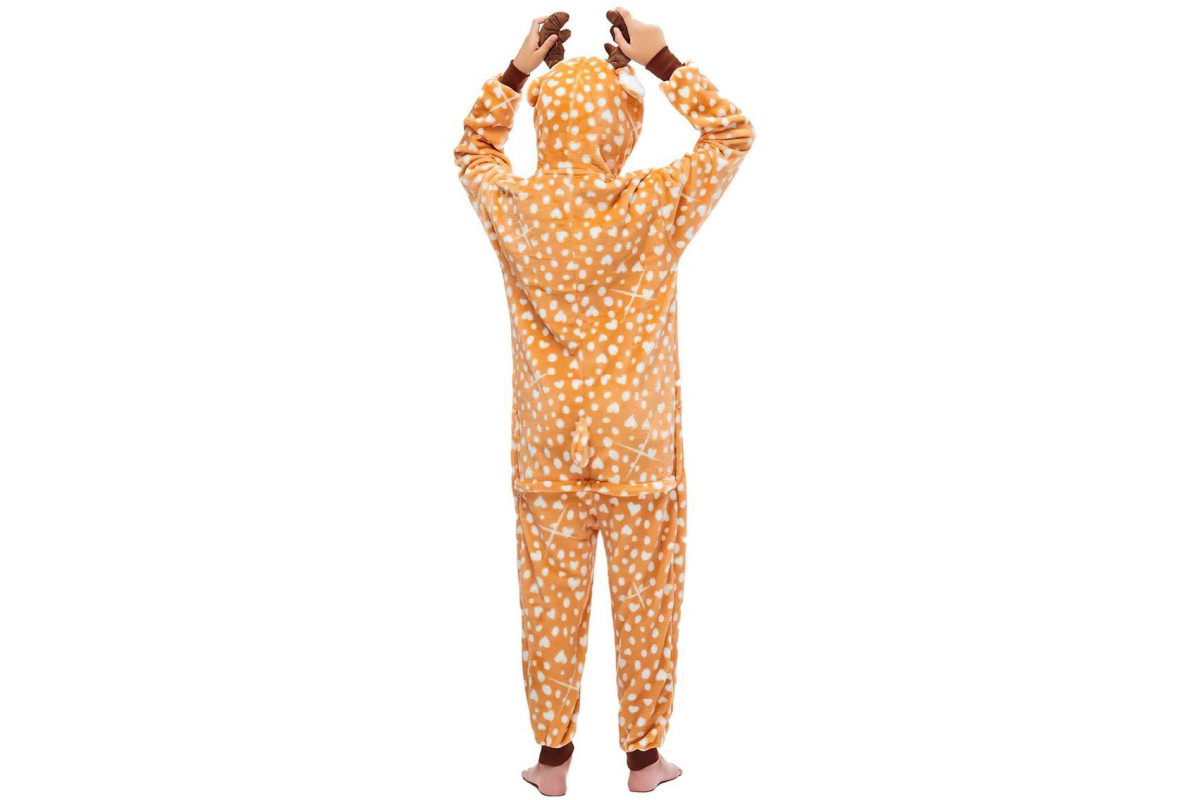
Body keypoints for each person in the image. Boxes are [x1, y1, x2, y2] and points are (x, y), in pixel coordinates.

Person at [452, 7, 755, 795]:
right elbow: (731, 135)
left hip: (547, 444)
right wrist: (663, 62)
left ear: (548, 125)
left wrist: (517, 74)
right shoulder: (653, 203)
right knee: (648, 595)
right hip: (636, 448)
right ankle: (644, 761)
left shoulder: (518, 208)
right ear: (622, 127)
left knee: (548, 600)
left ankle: (553, 761)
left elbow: (473, 149)